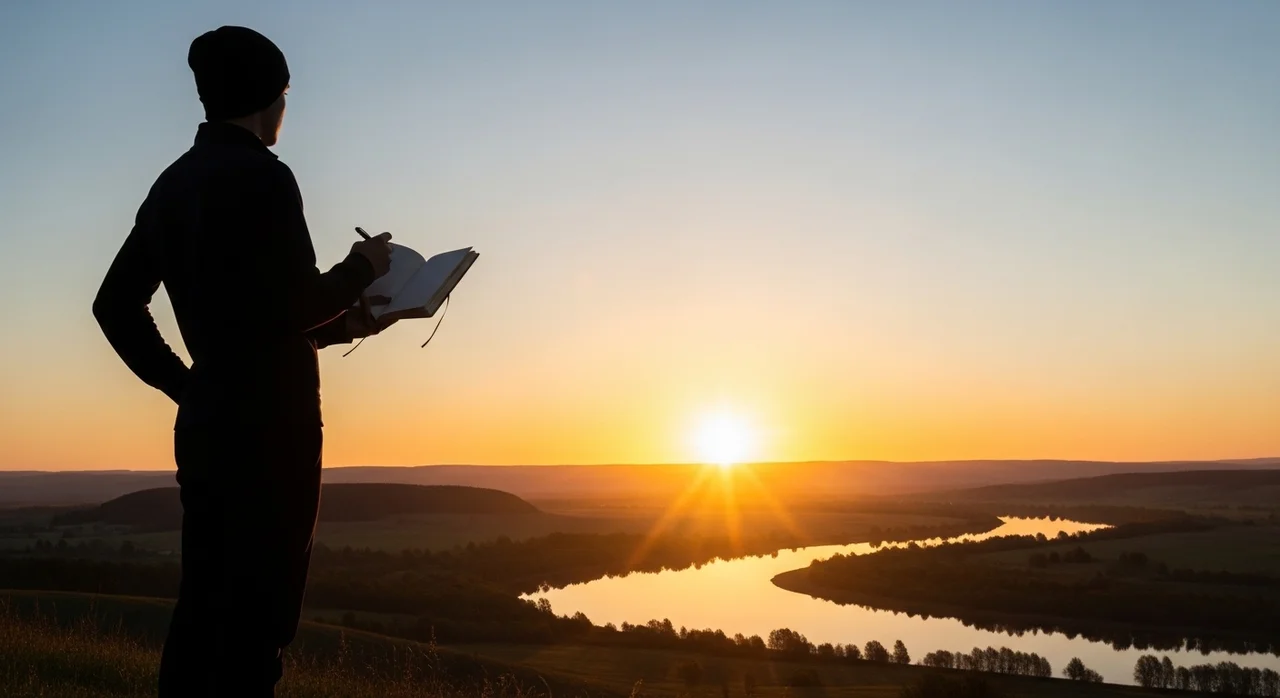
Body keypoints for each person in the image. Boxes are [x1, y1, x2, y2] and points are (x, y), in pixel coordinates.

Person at [91, 25, 395, 697]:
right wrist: (362, 268)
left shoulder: (172, 185)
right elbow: (293, 303)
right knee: (260, 622)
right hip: (276, 430)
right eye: (286, 94)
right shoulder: (266, 177)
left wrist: (187, 386)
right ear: (270, 97)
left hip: (208, 427)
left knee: (203, 609)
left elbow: (119, 306)